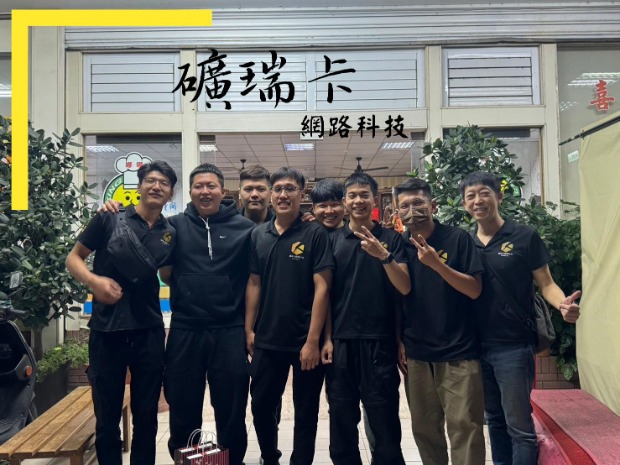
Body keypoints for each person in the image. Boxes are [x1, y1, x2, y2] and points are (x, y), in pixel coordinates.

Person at [459, 171, 581, 465]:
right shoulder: (464, 241)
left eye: (484, 193)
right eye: (471, 196)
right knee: (494, 420)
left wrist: (562, 304)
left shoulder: (524, 236)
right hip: (475, 346)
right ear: (464, 204)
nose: (478, 201)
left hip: (513, 345)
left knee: (520, 427)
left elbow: (546, 283)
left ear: (499, 197)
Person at [65, 161, 177, 465]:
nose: (156, 186)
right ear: (139, 186)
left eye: (164, 183)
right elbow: (73, 258)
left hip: (148, 332)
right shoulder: (110, 218)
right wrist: (94, 281)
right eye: (151, 180)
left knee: (147, 418)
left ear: (170, 193)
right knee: (106, 419)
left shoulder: (170, 232)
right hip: (107, 331)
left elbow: (169, 274)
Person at [160, 163, 255, 465]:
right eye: (198, 186)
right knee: (183, 406)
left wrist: (248, 329)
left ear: (222, 191)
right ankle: (187, 460)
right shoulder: (172, 226)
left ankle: (231, 461)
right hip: (185, 329)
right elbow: (164, 273)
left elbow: (253, 281)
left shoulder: (245, 229)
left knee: (231, 407)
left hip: (229, 329)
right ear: (190, 191)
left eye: (211, 186)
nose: (205, 191)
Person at [245, 167, 333, 465]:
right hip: (267, 339)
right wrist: (248, 329)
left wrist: (312, 341)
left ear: (301, 193)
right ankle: (269, 456)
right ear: (271, 194)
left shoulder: (315, 233)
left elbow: (323, 288)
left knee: (306, 411)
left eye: (290, 189)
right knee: (260, 405)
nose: (284, 195)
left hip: (304, 340)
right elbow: (254, 283)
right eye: (278, 189)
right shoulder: (259, 234)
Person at [395, 178, 486, 465]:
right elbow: (398, 297)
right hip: (417, 354)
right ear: (397, 212)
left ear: (433, 205)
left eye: (418, 203)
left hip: (459, 351)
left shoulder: (458, 239)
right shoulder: (399, 245)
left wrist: (437, 264)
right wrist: (398, 340)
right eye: (405, 206)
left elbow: (474, 289)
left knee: (465, 427)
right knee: (424, 429)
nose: (412, 210)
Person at [327, 172, 410, 465]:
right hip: (340, 342)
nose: (358, 200)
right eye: (352, 195)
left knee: (384, 421)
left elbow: (404, 288)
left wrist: (383, 255)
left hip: (380, 342)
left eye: (364, 195)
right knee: (341, 421)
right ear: (344, 201)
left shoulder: (392, 239)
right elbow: (323, 295)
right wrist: (325, 339)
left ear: (375, 200)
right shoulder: (332, 240)